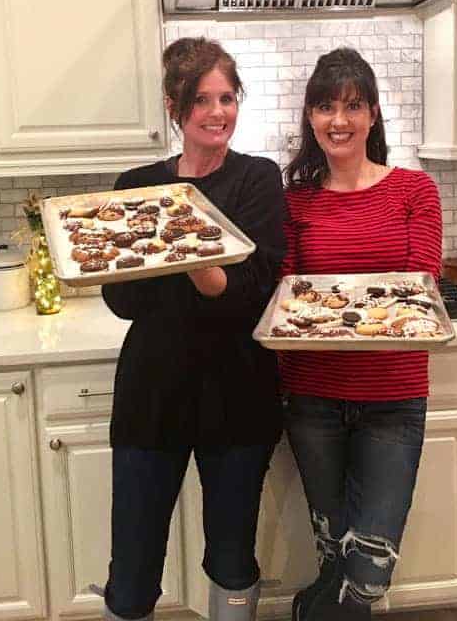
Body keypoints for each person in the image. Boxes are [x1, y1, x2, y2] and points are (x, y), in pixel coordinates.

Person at [100, 38, 285, 621]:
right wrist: (182, 250)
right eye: (201, 99)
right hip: (151, 394)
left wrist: (184, 250)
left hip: (237, 394)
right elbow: (121, 296)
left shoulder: (257, 179)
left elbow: (253, 291)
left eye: (227, 97)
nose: (217, 112)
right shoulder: (137, 183)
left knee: (231, 554)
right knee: (132, 561)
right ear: (175, 106)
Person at [280, 47, 442, 619]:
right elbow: (286, 294)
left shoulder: (414, 191)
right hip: (314, 400)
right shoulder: (295, 200)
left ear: (373, 114)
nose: (338, 120)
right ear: (310, 118)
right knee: (333, 556)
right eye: (325, 106)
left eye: (352, 106)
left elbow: (422, 285)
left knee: (370, 572)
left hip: (394, 400)